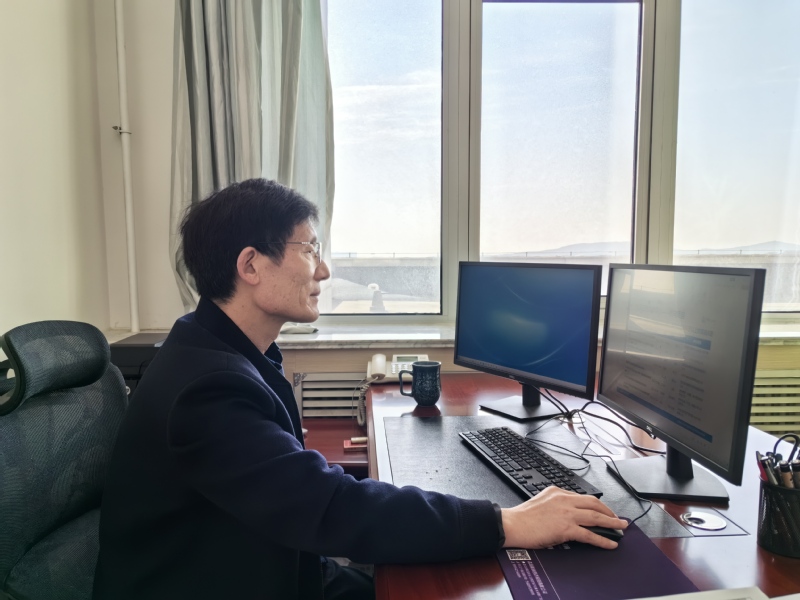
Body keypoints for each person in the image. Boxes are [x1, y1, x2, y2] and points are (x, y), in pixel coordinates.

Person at [93, 178, 627, 600]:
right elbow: (329, 508)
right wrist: (506, 523)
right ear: (251, 265)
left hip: (267, 565)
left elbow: (299, 493)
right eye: (309, 249)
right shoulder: (207, 390)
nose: (324, 270)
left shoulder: (220, 352)